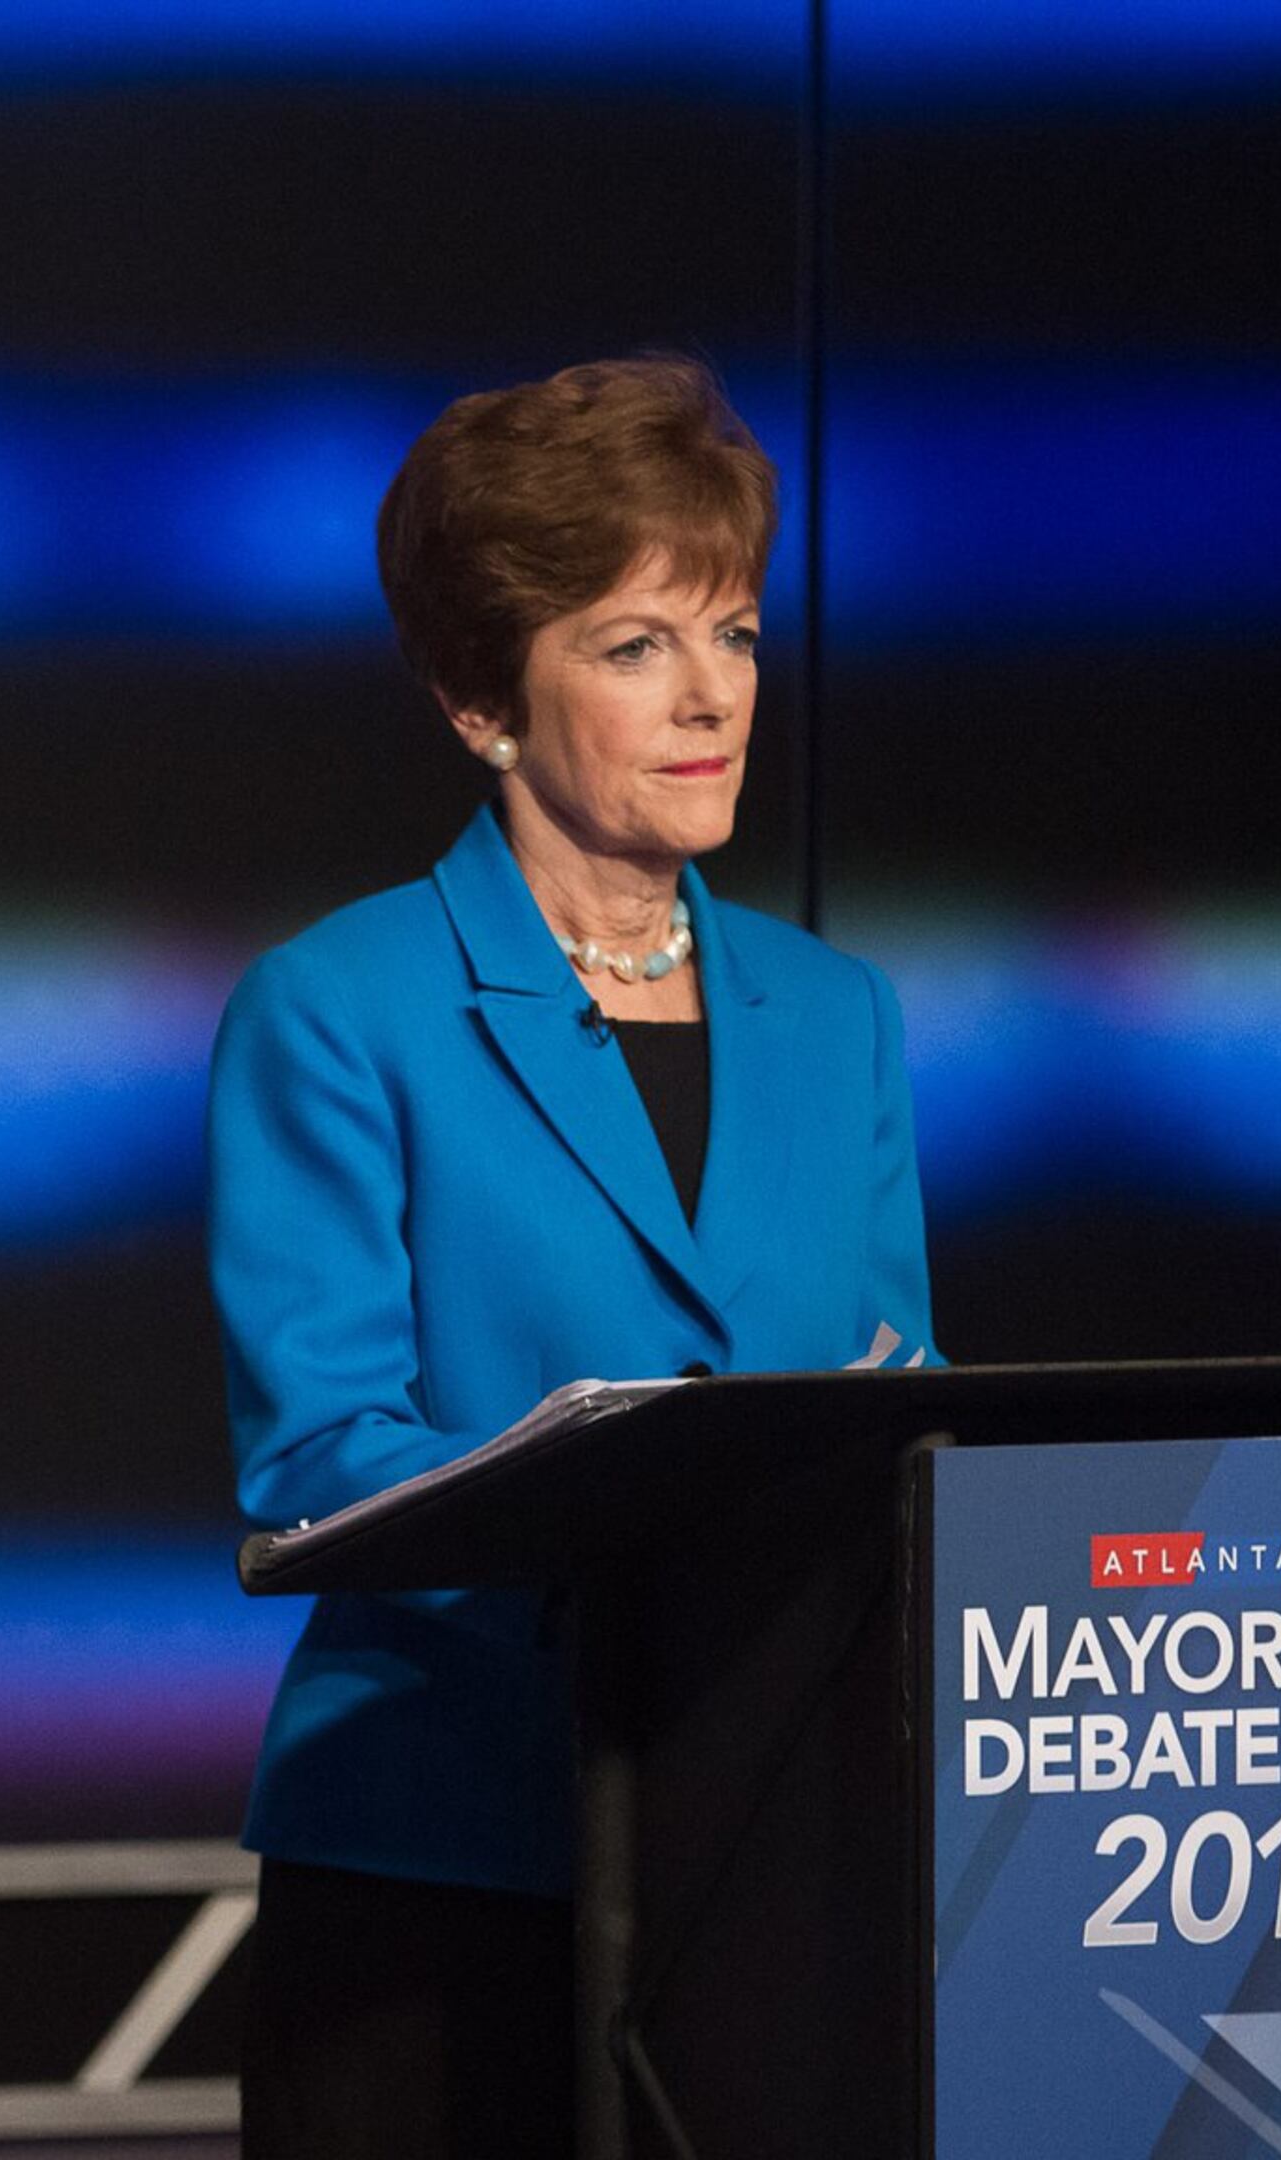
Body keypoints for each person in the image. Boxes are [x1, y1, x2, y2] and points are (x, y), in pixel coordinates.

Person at [206, 355, 936, 2155]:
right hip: (446, 1859)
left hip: (772, 1850)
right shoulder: (338, 1007)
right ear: (481, 701)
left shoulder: (837, 1015)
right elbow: (320, 1458)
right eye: (634, 647)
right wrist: (649, 1519)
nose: (713, 702)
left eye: (738, 637)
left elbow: (900, 1394)